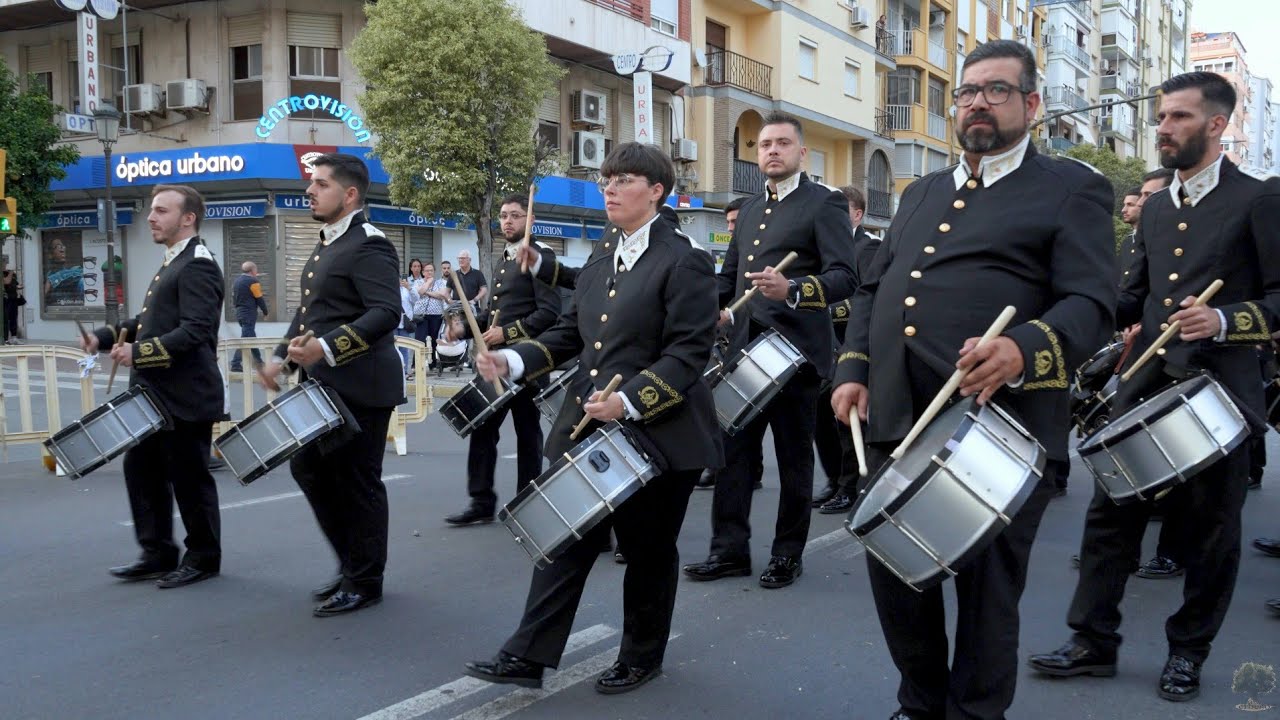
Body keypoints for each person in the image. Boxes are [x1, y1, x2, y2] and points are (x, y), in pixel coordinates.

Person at [831, 40, 1116, 719]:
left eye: (996, 90)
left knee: (988, 597)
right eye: (967, 92)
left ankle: (976, 713)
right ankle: (921, 703)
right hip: (900, 416)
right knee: (900, 579)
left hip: (1003, 429)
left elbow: (1092, 304)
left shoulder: (1073, 187)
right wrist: (853, 369)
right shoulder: (923, 189)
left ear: (1031, 104)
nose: (978, 103)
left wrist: (1024, 348)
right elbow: (874, 291)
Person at [1029, 71, 1280, 704]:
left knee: (1212, 534)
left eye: (1178, 118)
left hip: (1220, 391)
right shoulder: (1159, 205)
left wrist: (1224, 319)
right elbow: (1133, 294)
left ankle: (1188, 652)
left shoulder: (1260, 198)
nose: (1162, 127)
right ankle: (1092, 640)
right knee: (1110, 514)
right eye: (1161, 117)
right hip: (1146, 383)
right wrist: (1061, 318)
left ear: (1217, 126)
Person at [464, 142, 722, 695]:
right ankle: (527, 656)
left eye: (623, 179)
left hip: (659, 429)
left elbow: (688, 352)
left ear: (656, 191)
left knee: (648, 551)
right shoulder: (606, 251)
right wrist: (510, 360)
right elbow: (570, 334)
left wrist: (628, 401)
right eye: (606, 178)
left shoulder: (686, 259)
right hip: (589, 423)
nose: (608, 188)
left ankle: (641, 656)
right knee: (566, 539)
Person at [682, 111, 857, 590]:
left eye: (782, 143)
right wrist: (706, 307)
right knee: (731, 455)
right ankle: (729, 550)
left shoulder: (826, 204)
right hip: (744, 351)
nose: (772, 151)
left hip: (796, 356)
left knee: (794, 458)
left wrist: (794, 289)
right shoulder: (752, 210)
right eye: (764, 145)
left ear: (802, 152)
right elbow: (729, 276)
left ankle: (786, 554)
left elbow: (847, 277)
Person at [257, 153, 403, 617]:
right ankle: (351, 564)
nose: (310, 191)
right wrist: (280, 358)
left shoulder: (369, 243)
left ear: (350, 194)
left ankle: (365, 580)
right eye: (312, 184)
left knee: (358, 483)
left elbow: (385, 313)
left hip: (362, 385)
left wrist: (328, 347)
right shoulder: (327, 243)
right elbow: (310, 313)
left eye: (320, 184)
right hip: (323, 386)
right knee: (311, 471)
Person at [81, 184, 227, 589]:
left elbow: (195, 332)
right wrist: (104, 337)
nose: (150, 217)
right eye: (151, 210)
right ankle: (157, 552)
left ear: (188, 218)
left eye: (161, 210)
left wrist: (139, 354)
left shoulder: (197, 263)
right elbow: (148, 321)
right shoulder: (174, 261)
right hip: (154, 395)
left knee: (188, 478)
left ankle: (203, 557)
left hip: (185, 395)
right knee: (141, 468)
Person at [443, 193, 561, 525]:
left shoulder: (540, 258)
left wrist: (506, 335)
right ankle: (481, 501)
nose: (507, 221)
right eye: (504, 215)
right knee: (482, 427)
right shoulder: (505, 259)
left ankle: (526, 501)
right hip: (495, 364)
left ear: (530, 220)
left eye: (515, 216)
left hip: (528, 362)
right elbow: (491, 316)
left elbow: (550, 314)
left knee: (527, 433)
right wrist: (462, 330)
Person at [815, 185, 882, 515]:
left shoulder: (867, 249)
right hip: (826, 347)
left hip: (853, 348)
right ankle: (835, 480)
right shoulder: (825, 246)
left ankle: (850, 487)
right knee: (823, 422)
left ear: (857, 215)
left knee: (847, 423)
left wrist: (825, 310)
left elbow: (865, 300)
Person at [695, 196, 765, 493]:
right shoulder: (739, 250)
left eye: (734, 222)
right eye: (728, 223)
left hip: (775, 343)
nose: (731, 227)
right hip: (738, 343)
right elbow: (727, 283)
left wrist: (732, 315)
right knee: (735, 418)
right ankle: (725, 468)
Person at [229, 261, 269, 372]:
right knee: (245, 339)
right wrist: (265, 312)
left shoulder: (236, 281)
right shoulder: (253, 281)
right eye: (256, 270)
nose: (257, 272)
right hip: (249, 313)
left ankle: (259, 362)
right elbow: (259, 298)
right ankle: (236, 363)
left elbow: (234, 299)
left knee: (250, 337)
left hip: (239, 313)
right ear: (252, 271)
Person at [455, 249, 487, 313]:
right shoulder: (454, 274)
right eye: (459, 258)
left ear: (469, 260)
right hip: (457, 308)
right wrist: (449, 300)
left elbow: (484, 290)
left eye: (463, 258)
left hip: (473, 307)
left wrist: (474, 300)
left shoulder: (478, 273)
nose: (460, 260)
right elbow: (447, 291)